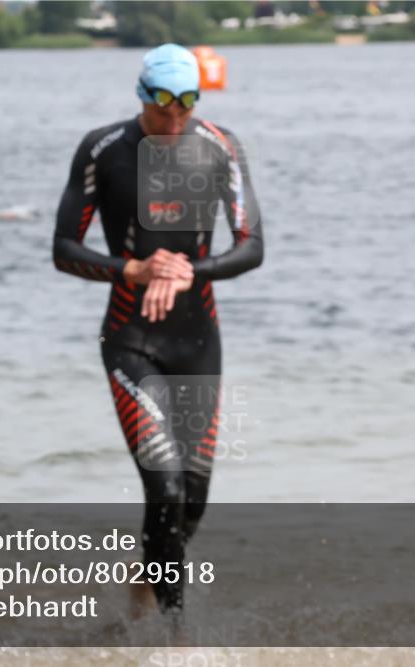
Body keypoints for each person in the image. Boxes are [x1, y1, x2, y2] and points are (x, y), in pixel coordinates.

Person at [52, 44, 263, 620]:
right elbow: (64, 249)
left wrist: (192, 268)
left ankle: (145, 579)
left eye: (185, 110)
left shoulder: (221, 146)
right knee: (164, 488)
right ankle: (176, 637)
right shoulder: (104, 150)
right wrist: (135, 269)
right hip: (131, 339)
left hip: (197, 339)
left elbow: (252, 247)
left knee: (192, 501)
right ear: (142, 97)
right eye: (162, 111)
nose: (173, 124)